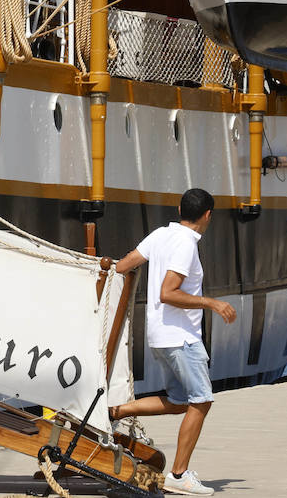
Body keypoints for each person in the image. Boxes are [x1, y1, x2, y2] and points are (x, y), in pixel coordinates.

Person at [109, 188, 237, 497]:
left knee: (180, 401)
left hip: (160, 335)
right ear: (208, 215)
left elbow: (123, 265)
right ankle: (179, 474)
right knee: (202, 400)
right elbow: (169, 292)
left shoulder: (161, 235)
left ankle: (115, 412)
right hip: (181, 339)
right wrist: (212, 303)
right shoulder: (185, 245)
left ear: (179, 208)